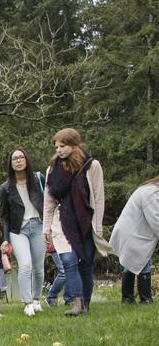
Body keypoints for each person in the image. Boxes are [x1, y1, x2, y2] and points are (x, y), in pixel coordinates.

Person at [42, 128, 105, 316]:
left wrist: (98, 226)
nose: (59, 150)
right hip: (62, 219)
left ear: (74, 145)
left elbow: (99, 197)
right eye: (57, 146)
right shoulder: (52, 169)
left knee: (85, 263)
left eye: (63, 146)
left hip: (85, 218)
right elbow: (49, 199)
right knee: (68, 260)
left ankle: (85, 304)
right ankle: (76, 303)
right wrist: (46, 227)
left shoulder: (92, 166)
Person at [0, 148, 46, 316]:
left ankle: (36, 299)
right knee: (25, 265)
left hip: (38, 226)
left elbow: (48, 204)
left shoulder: (38, 179)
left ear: (26, 160)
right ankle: (27, 303)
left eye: (21, 157)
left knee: (38, 268)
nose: (18, 160)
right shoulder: (5, 188)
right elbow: (4, 216)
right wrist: (5, 239)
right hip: (18, 230)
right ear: (11, 164)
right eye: (15, 159)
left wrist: (50, 227)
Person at [110, 177, 158, 305]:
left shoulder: (150, 190)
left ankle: (128, 298)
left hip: (133, 232)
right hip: (133, 234)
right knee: (143, 263)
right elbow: (156, 220)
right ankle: (145, 299)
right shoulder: (151, 193)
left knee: (130, 264)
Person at [45, 242, 72, 307]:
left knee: (70, 270)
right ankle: (51, 296)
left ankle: (69, 299)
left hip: (68, 244)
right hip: (55, 243)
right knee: (64, 271)